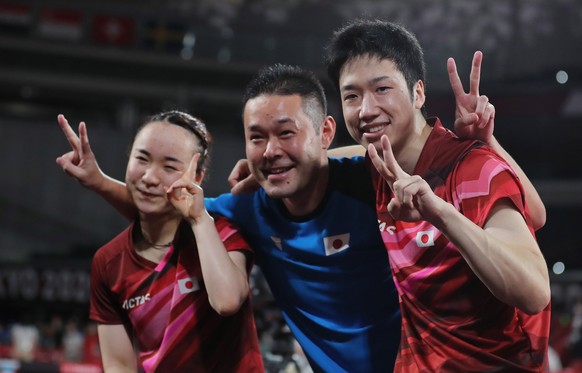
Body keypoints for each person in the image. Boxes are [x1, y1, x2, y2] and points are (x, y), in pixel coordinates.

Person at [56, 67, 401, 372]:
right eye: (257, 138)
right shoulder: (244, 211)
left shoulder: (371, 183)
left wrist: (293, 165)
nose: (269, 150)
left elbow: (391, 155)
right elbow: (164, 209)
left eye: (285, 133)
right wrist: (99, 182)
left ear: (326, 132)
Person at [325, 18, 551, 371]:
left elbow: (535, 292)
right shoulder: (376, 165)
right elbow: (331, 160)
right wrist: (266, 164)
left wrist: (440, 213)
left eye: (382, 89)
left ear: (418, 93)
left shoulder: (472, 169)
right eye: (351, 96)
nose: (366, 110)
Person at [58, 111, 264, 372]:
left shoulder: (221, 231)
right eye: (141, 159)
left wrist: (199, 219)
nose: (149, 177)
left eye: (169, 167)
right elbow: (119, 364)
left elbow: (227, 302)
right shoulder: (109, 262)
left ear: (197, 177)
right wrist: (98, 180)